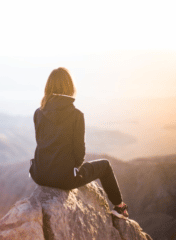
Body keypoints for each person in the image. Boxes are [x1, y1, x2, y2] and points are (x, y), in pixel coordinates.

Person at [29, 67, 129, 219]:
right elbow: (79, 154)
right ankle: (120, 207)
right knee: (105, 166)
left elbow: (41, 142)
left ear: (48, 87)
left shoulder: (38, 112)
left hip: (39, 174)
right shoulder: (76, 115)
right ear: (70, 87)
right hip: (64, 179)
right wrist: (73, 170)